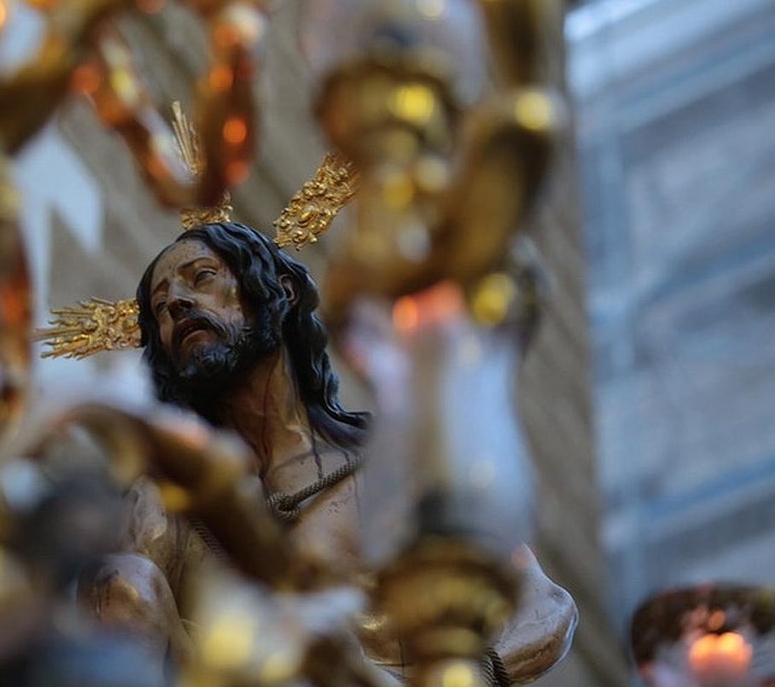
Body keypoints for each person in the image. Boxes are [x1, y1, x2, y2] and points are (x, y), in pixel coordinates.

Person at [80, 222, 576, 684]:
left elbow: (544, 607)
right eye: (163, 308)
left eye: (202, 278)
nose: (179, 306)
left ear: (281, 289)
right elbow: (119, 599)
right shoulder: (175, 498)